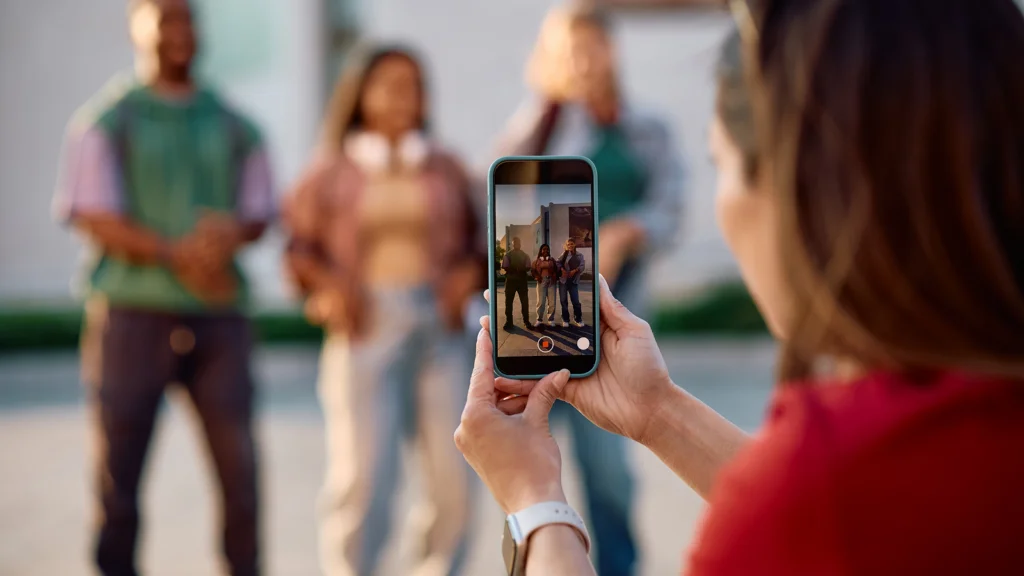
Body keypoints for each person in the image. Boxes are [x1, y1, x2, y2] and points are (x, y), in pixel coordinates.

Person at [456, 0, 1024, 574]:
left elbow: (814, 515)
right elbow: (843, 515)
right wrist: (658, 413)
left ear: (798, 187)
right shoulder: (967, 428)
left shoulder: (831, 482)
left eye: (721, 164)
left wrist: (534, 501)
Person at [52, 0, 274, 574]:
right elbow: (91, 212)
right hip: (132, 313)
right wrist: (175, 252)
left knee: (240, 474)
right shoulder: (107, 121)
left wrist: (229, 235)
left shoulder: (234, 123)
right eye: (166, 18)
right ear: (137, 27)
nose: (180, 31)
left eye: (189, 19)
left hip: (219, 314)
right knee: (118, 476)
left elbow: (259, 210)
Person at [493, 7, 685, 573]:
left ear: (611, 50)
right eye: (569, 48)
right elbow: (503, 206)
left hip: (615, 312)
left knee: (608, 468)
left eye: (591, 46)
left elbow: (671, 204)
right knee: (531, 459)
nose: (581, 60)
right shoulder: (540, 124)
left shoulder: (645, 127)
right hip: (545, 311)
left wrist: (626, 231)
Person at [282, 44, 480, 576]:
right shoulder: (330, 172)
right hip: (366, 324)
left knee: (456, 478)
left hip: (440, 326)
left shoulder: (447, 167)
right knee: (365, 479)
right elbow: (298, 250)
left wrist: (468, 275)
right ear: (361, 95)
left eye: (412, 85)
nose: (401, 96)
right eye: (388, 84)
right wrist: (326, 288)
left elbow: (482, 245)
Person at [501, 237, 532, 331]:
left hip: (521, 281)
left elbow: (528, 266)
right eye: (515, 243)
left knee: (524, 302)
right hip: (511, 281)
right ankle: (509, 322)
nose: (516, 244)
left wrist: (515, 268)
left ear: (520, 244)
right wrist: (518, 269)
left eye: (518, 242)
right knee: (508, 303)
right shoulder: (508, 255)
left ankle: (526, 321)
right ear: (512, 244)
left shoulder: (525, 255)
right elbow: (504, 266)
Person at [556, 237, 586, 328]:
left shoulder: (579, 255)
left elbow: (582, 266)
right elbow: (557, 263)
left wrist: (575, 270)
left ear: (574, 244)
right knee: (563, 301)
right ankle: (565, 319)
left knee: (576, 301)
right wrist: (562, 269)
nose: (570, 246)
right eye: (568, 244)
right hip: (563, 281)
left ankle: (578, 319)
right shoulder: (564, 254)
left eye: (571, 244)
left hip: (573, 281)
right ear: (566, 245)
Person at [532, 244, 558, 327]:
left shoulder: (552, 260)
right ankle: (539, 319)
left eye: (547, 249)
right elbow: (533, 271)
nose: (546, 250)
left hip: (551, 282)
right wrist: (537, 276)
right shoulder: (537, 261)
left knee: (552, 302)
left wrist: (555, 274)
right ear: (541, 250)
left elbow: (557, 269)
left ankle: (551, 319)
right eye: (544, 249)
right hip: (541, 281)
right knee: (541, 302)